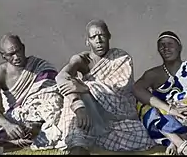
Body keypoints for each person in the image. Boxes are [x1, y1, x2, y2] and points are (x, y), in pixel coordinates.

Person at [55, 19, 155, 155]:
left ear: (109, 36)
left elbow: (120, 88)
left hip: (117, 114)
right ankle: (79, 142)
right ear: (87, 41)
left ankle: (83, 141)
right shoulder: (81, 60)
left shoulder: (121, 58)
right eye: (93, 37)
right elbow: (61, 78)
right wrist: (78, 105)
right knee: (74, 93)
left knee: (139, 135)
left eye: (102, 35)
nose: (98, 40)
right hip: (89, 111)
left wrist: (86, 87)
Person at [133, 31, 187, 155]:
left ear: (179, 47)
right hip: (166, 118)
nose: (166, 48)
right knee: (142, 105)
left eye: (170, 44)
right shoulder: (153, 74)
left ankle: (176, 142)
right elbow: (137, 89)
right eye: (162, 45)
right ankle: (179, 143)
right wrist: (170, 109)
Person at [0, 33, 64, 151]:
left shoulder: (40, 66)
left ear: (23, 48)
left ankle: (14, 143)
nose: (16, 57)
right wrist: (7, 125)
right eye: (11, 54)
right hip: (15, 118)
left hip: (38, 117)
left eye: (18, 51)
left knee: (54, 111)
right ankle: (17, 140)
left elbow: (52, 93)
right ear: (3, 55)